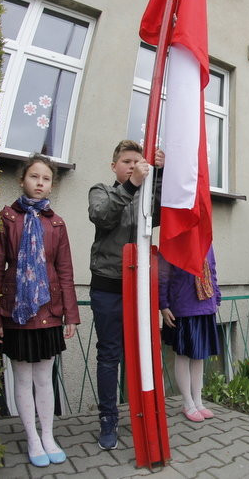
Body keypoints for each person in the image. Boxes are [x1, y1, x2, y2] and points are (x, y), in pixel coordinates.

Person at [0, 154, 80, 467]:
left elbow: (65, 269)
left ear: (51, 185)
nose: (40, 183)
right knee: (23, 379)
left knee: (44, 379)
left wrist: (71, 313)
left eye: (45, 179)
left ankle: (48, 435)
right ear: (22, 180)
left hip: (49, 310)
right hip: (17, 311)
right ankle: (32, 438)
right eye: (34, 177)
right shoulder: (7, 219)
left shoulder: (56, 222)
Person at [88, 140, 164, 450]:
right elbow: (103, 216)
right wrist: (133, 185)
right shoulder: (101, 191)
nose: (133, 166)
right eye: (126, 161)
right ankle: (108, 418)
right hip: (108, 287)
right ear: (114, 166)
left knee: (143, 351)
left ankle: (144, 412)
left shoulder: (143, 195)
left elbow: (160, 213)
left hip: (140, 286)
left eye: (137, 161)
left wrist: (159, 173)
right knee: (109, 355)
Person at [159, 247, 222, 422]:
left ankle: (198, 401)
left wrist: (216, 297)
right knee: (184, 355)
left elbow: (213, 269)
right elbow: (162, 276)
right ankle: (187, 403)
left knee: (199, 355)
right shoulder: (173, 242)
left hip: (205, 305)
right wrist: (163, 305)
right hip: (183, 306)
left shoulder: (207, 243)